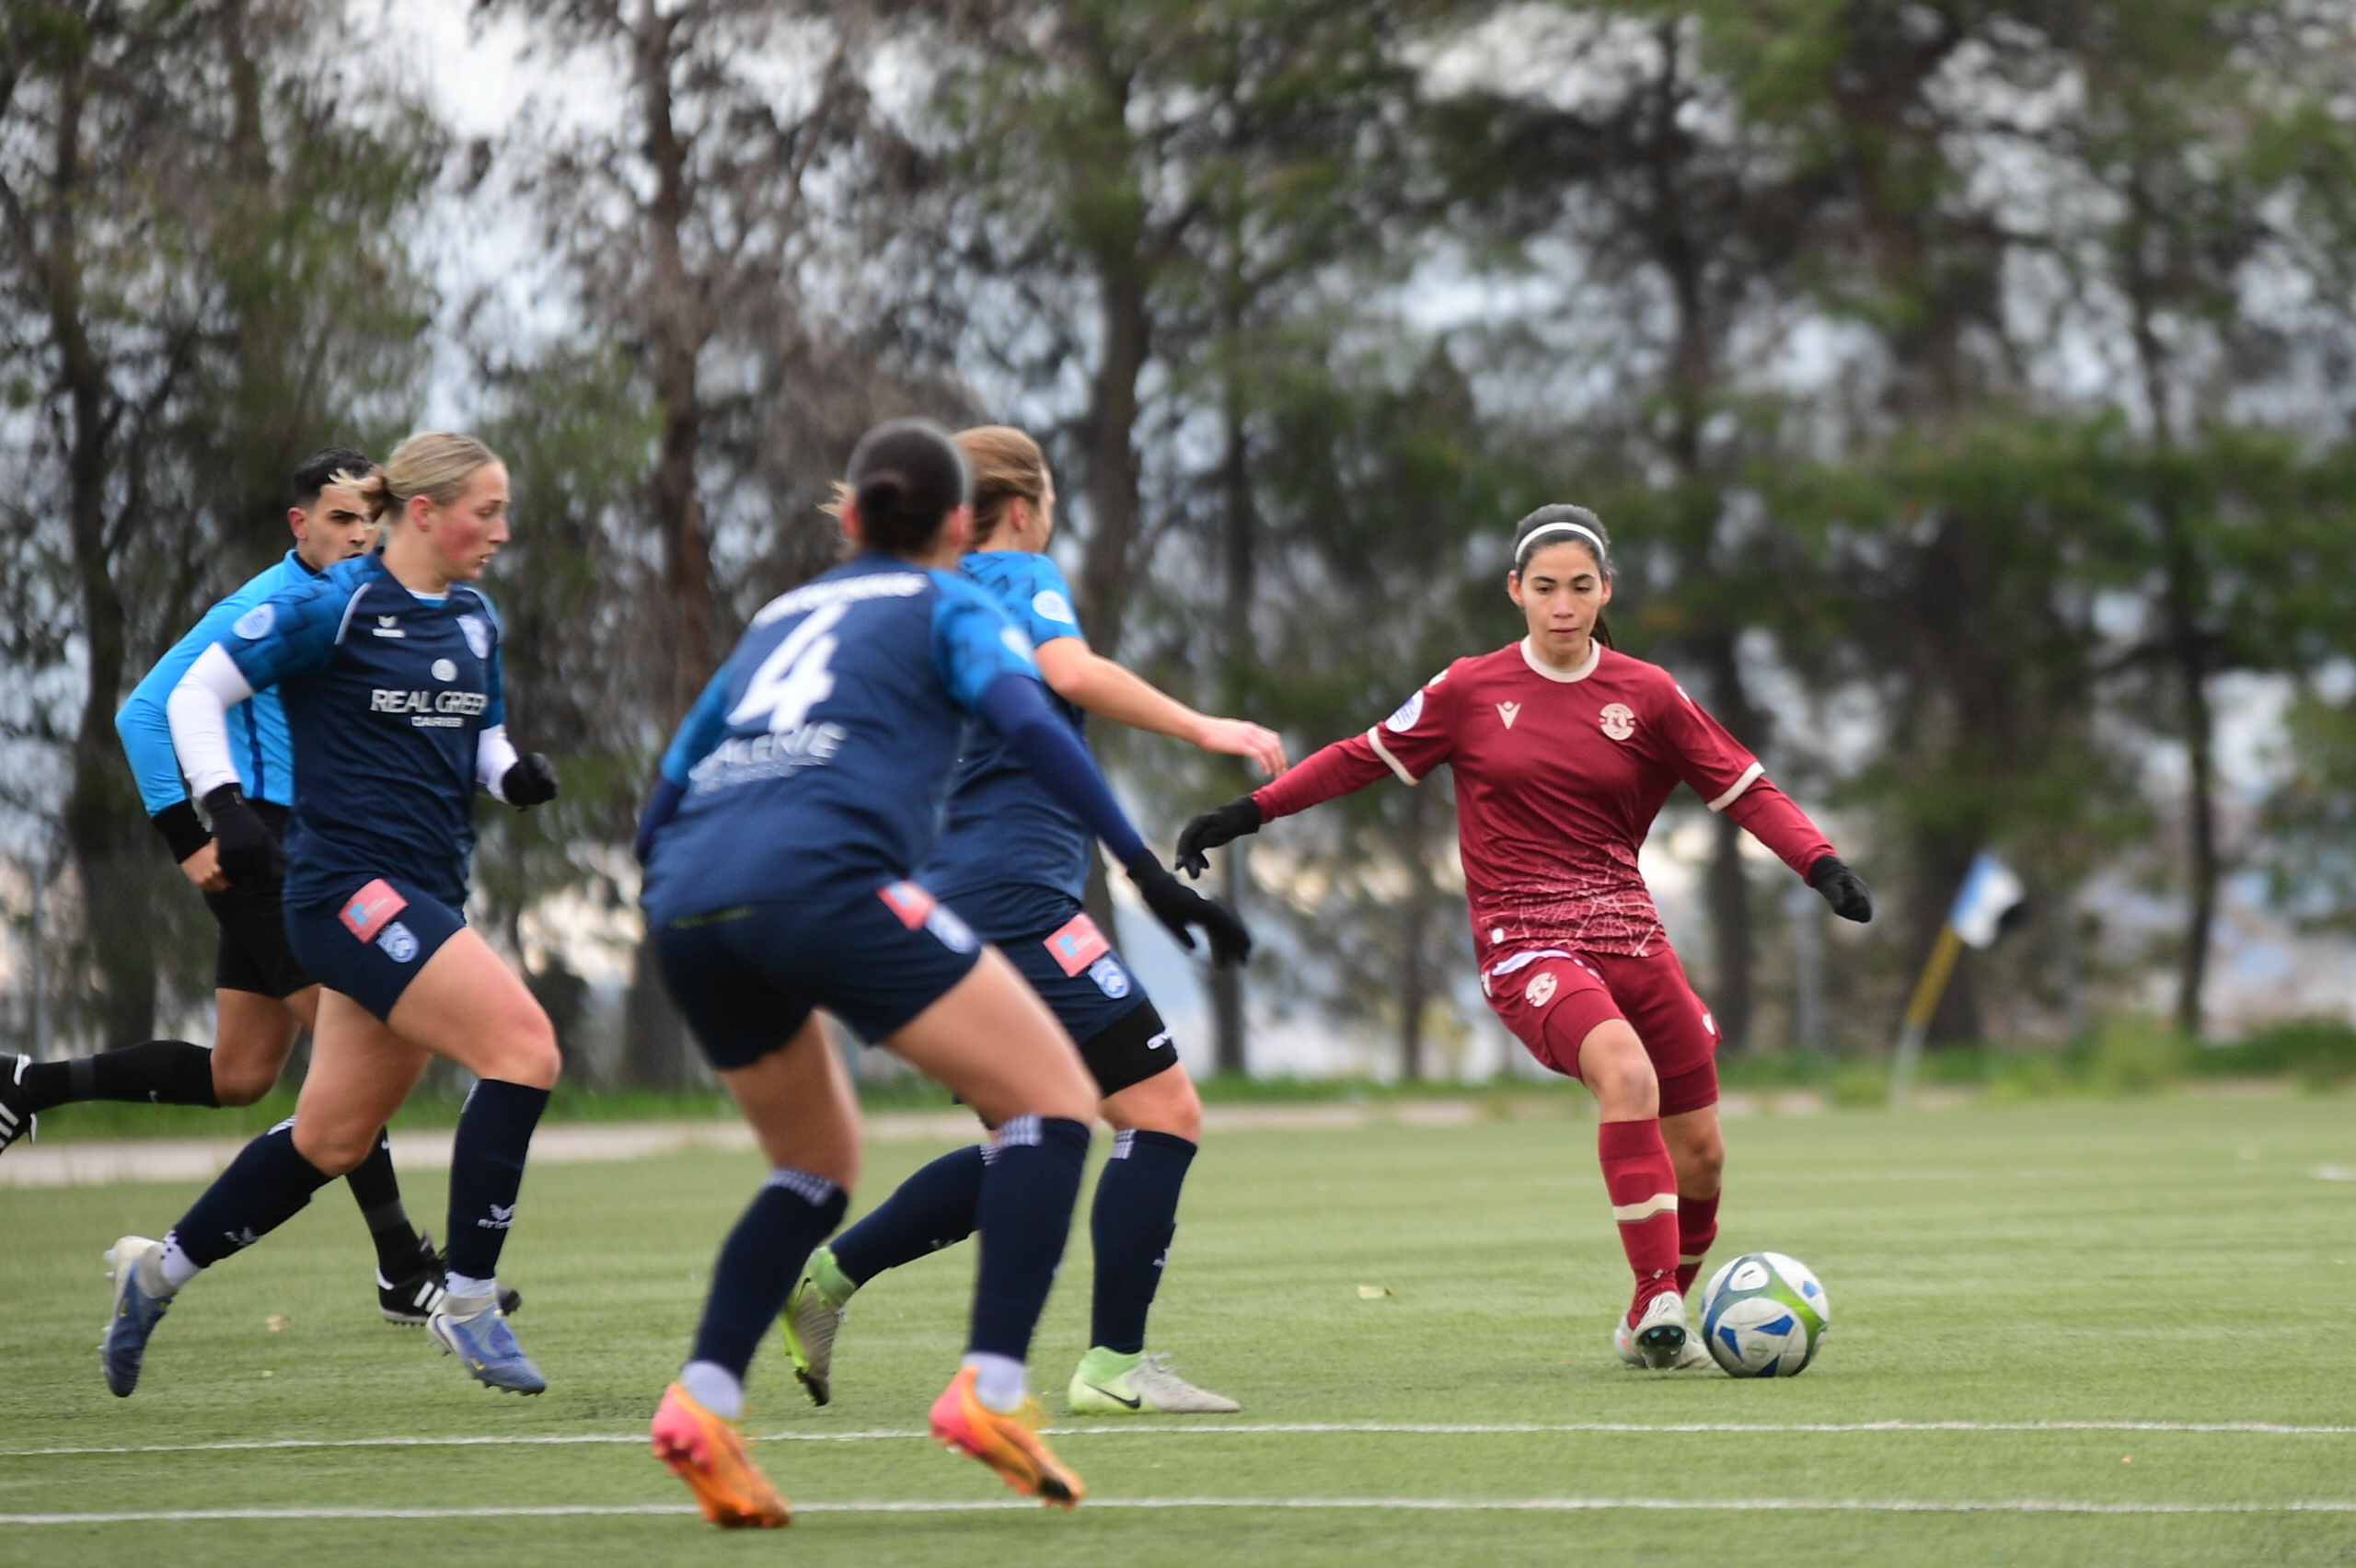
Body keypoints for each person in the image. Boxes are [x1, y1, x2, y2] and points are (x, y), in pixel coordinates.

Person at [633, 419, 1249, 1528]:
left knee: (816, 1162)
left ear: (852, 517)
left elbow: (668, 789)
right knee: (1072, 1109)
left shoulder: (783, 614)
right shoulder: (968, 592)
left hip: (688, 897)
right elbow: (1045, 706)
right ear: (967, 521)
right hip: (896, 890)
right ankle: (1000, 1389)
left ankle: (705, 1399)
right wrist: (1144, 862)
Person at [1174, 505, 1874, 1369]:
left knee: (1702, 1157)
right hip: (1525, 941)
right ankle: (1659, 1293)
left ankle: (1647, 1320)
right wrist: (1247, 813)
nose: (1563, 605)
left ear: (1606, 590)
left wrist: (1821, 864)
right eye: (1545, 587)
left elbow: (1745, 787)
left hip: (1631, 935)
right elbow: (1360, 756)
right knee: (1626, 1074)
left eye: (1580, 586)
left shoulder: (1649, 694)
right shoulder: (1469, 689)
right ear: (1516, 591)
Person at [782, 425, 1282, 1418]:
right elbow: (1071, 672)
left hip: (933, 901)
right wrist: (1206, 727)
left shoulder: (922, 595)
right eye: (1050, 496)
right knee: (1163, 1111)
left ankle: (826, 1280)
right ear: (1023, 506)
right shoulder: (1016, 572)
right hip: (1016, 898)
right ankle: (1114, 1366)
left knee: (1030, 1137)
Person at [99, 432, 563, 1400]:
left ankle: (155, 1274)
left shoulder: (474, 619)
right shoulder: (331, 604)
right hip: (342, 891)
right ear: (425, 512)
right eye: (487, 511)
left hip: (425, 893)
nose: (502, 531)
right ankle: (467, 1302)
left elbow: (479, 733)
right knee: (525, 1049)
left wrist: (509, 772)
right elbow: (193, 695)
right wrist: (222, 807)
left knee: (333, 1138)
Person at [0, 449, 503, 1327]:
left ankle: (26, 1084)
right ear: (299, 524)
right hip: (269, 854)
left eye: (369, 518)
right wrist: (188, 837)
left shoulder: (367, 604)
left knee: (240, 1074)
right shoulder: (267, 606)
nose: (360, 534)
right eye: (340, 519)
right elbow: (145, 711)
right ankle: (401, 1268)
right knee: (350, 1057)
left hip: (315, 852)